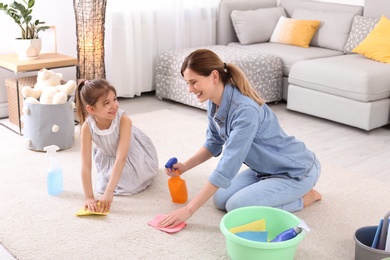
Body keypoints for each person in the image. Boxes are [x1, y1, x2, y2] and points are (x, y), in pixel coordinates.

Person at [159, 49, 322, 228]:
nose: (190, 89)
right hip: (263, 170)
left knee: (236, 207)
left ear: (214, 76)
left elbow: (227, 166)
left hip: (294, 171)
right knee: (220, 200)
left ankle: (306, 197)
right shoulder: (214, 102)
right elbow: (213, 143)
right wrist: (184, 167)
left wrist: (189, 210)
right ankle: (271, 188)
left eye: (193, 82)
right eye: (187, 83)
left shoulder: (245, 111)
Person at [75, 79, 158, 213]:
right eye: (107, 103)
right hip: (108, 156)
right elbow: (85, 165)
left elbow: (121, 158)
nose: (114, 105)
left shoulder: (124, 120)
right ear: (91, 109)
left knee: (131, 184)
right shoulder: (87, 127)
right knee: (101, 186)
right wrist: (89, 197)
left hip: (127, 155)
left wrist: (109, 191)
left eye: (114, 99)